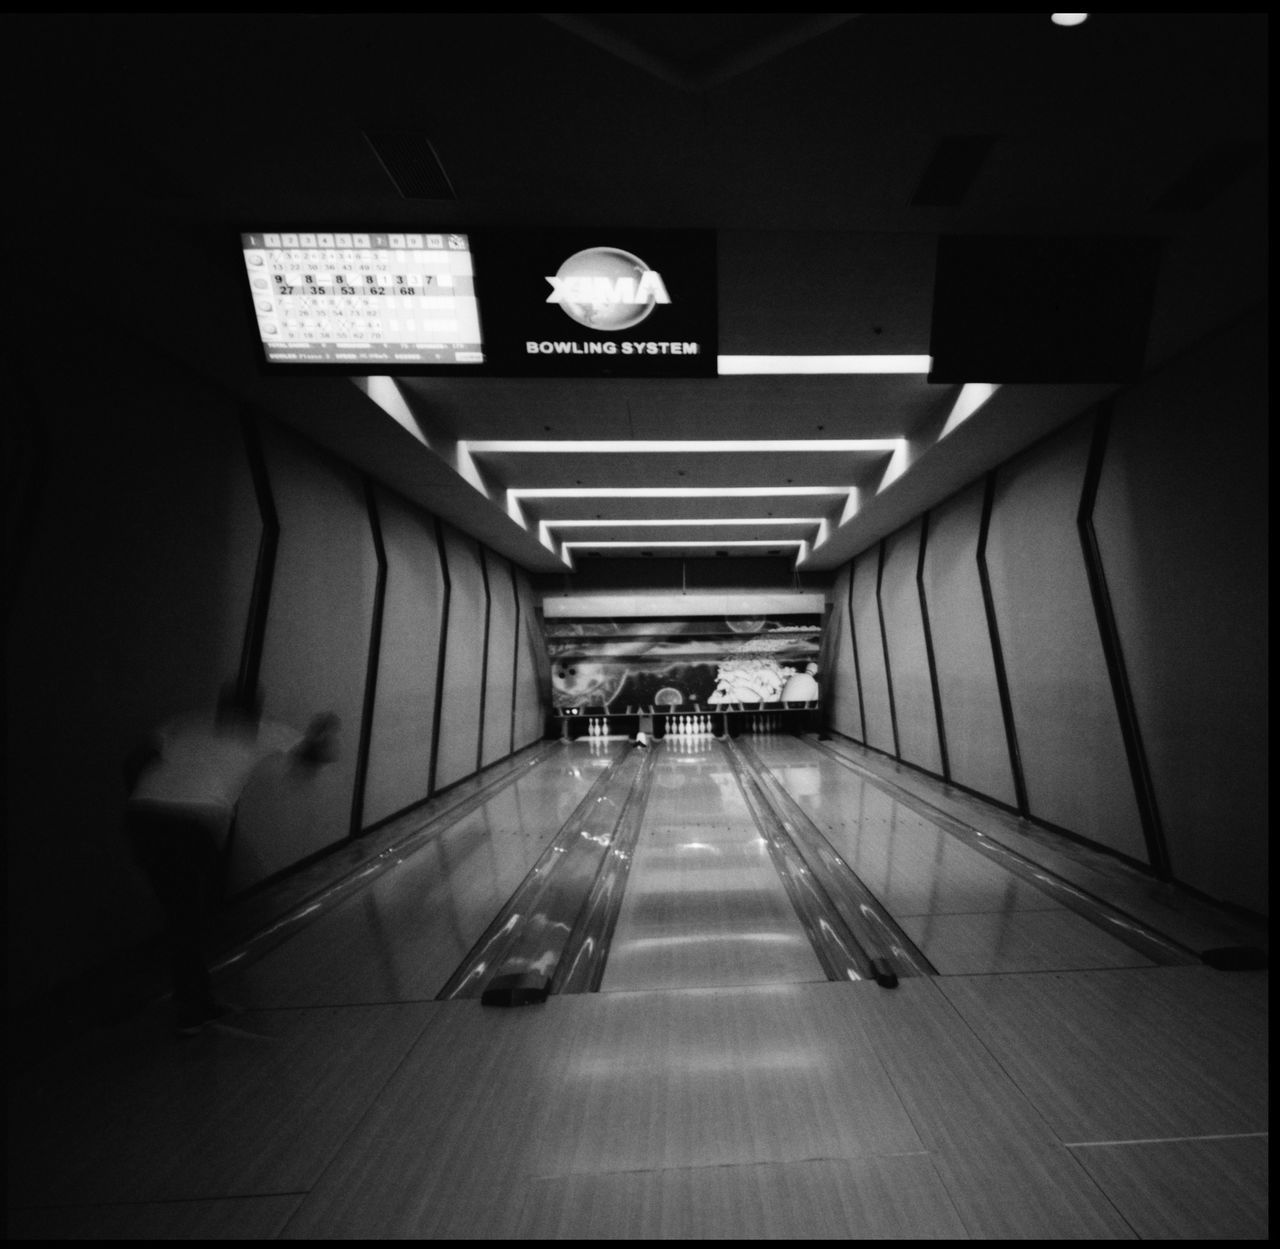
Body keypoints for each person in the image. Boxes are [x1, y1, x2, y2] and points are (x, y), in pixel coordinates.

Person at [123, 682, 340, 1036]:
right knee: (194, 912)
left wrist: (147, 802)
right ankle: (194, 1008)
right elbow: (312, 759)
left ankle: (191, 996)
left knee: (182, 911)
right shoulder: (261, 729)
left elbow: (132, 762)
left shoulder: (188, 722)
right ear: (253, 711)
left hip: (142, 819)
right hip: (189, 825)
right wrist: (322, 732)